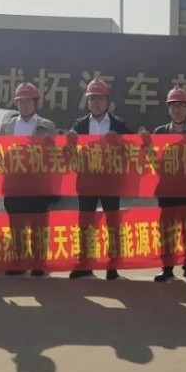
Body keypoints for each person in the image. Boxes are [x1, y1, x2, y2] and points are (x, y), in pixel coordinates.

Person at [69, 78, 133, 280]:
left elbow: (133, 148)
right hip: (86, 182)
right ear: (87, 102)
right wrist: (69, 141)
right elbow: (68, 154)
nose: (96, 103)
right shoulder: (79, 125)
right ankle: (84, 264)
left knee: (112, 223)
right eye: (92, 99)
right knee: (86, 223)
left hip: (110, 183)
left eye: (100, 99)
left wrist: (120, 143)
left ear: (107, 101)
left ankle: (112, 265)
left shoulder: (118, 125)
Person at [0, 82, 57, 277]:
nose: (24, 105)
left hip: (38, 184)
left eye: (28, 101)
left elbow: (55, 155)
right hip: (13, 184)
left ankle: (39, 262)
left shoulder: (46, 126)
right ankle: (19, 261)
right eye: (20, 101)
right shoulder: (7, 126)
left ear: (36, 103)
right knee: (16, 224)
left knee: (38, 224)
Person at [153, 87, 186, 283]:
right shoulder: (159, 133)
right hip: (167, 191)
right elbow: (152, 163)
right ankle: (167, 268)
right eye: (173, 105)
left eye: (181, 105)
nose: (177, 109)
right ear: (168, 109)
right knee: (167, 230)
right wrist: (146, 146)